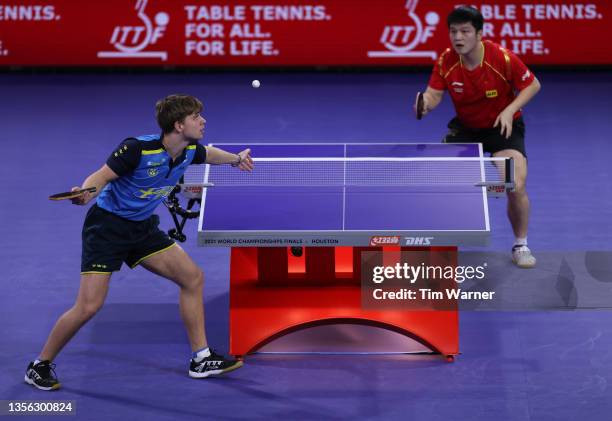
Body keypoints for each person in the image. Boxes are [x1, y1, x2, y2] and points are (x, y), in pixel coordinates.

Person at [25, 94, 254, 390]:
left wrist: (236, 160)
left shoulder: (188, 151)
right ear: (179, 125)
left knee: (192, 278)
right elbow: (102, 175)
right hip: (107, 229)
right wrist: (86, 192)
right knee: (89, 306)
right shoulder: (137, 149)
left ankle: (201, 358)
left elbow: (209, 154)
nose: (203, 120)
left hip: (143, 229)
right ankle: (39, 365)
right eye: (197, 117)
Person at [416, 6, 541, 268]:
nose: (458, 37)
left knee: (515, 185)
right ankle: (437, 244)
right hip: (466, 129)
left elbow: (532, 84)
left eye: (465, 31)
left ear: (479, 34)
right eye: (453, 31)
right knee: (436, 182)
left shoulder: (502, 58)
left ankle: (521, 245)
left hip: (502, 129)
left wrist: (509, 110)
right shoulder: (446, 61)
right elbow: (434, 94)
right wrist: (424, 104)